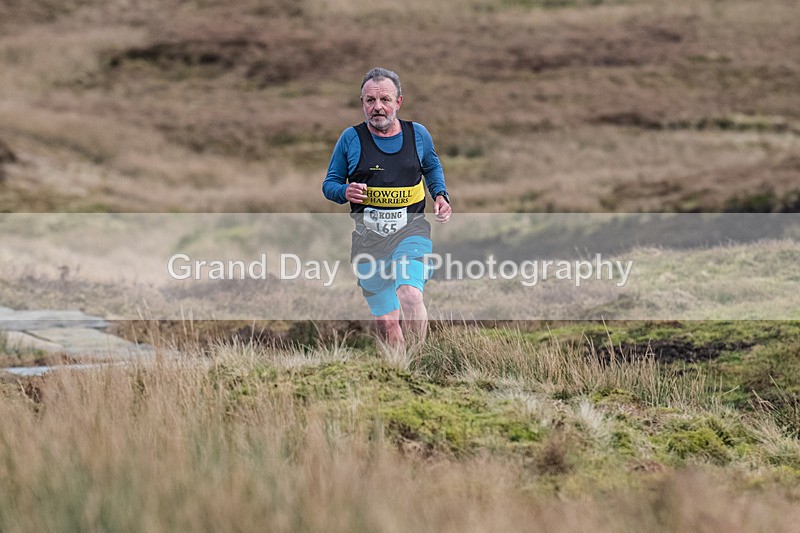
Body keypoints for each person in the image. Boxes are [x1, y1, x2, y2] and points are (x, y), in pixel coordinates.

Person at [323, 67, 452, 348]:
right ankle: (400, 373)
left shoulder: (417, 135)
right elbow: (329, 185)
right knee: (386, 322)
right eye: (370, 101)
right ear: (362, 104)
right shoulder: (351, 139)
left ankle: (421, 360)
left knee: (410, 294)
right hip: (368, 241)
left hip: (411, 231)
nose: (377, 107)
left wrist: (440, 195)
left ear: (399, 102)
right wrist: (345, 190)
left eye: (385, 100)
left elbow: (431, 166)